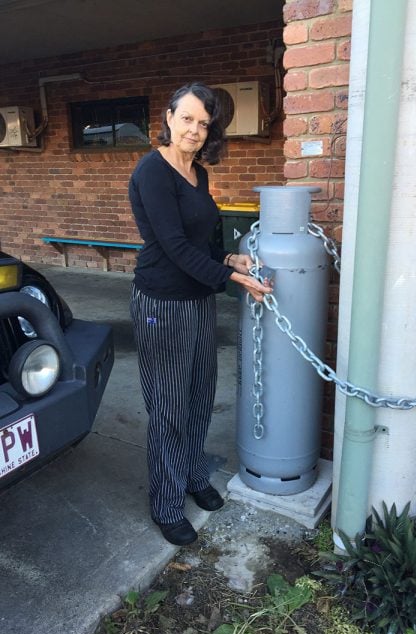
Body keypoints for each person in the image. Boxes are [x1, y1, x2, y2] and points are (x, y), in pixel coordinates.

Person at [128, 82, 272, 546]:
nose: (193, 129)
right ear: (168, 117)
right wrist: (232, 281)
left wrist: (230, 259)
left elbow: (202, 244)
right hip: (161, 302)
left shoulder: (198, 174)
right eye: (186, 118)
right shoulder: (153, 171)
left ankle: (191, 474)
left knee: (197, 394)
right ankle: (166, 504)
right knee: (168, 405)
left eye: (203, 123)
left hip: (196, 301)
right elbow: (170, 246)